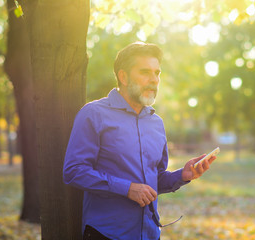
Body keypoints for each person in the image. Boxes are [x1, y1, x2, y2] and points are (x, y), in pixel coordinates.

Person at [63, 42, 216, 240]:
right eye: (145, 72)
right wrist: (126, 188)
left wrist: (183, 175)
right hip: (106, 234)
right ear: (123, 76)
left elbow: (155, 180)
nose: (154, 80)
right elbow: (74, 171)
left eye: (157, 73)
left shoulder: (156, 122)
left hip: (150, 234)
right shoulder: (93, 114)